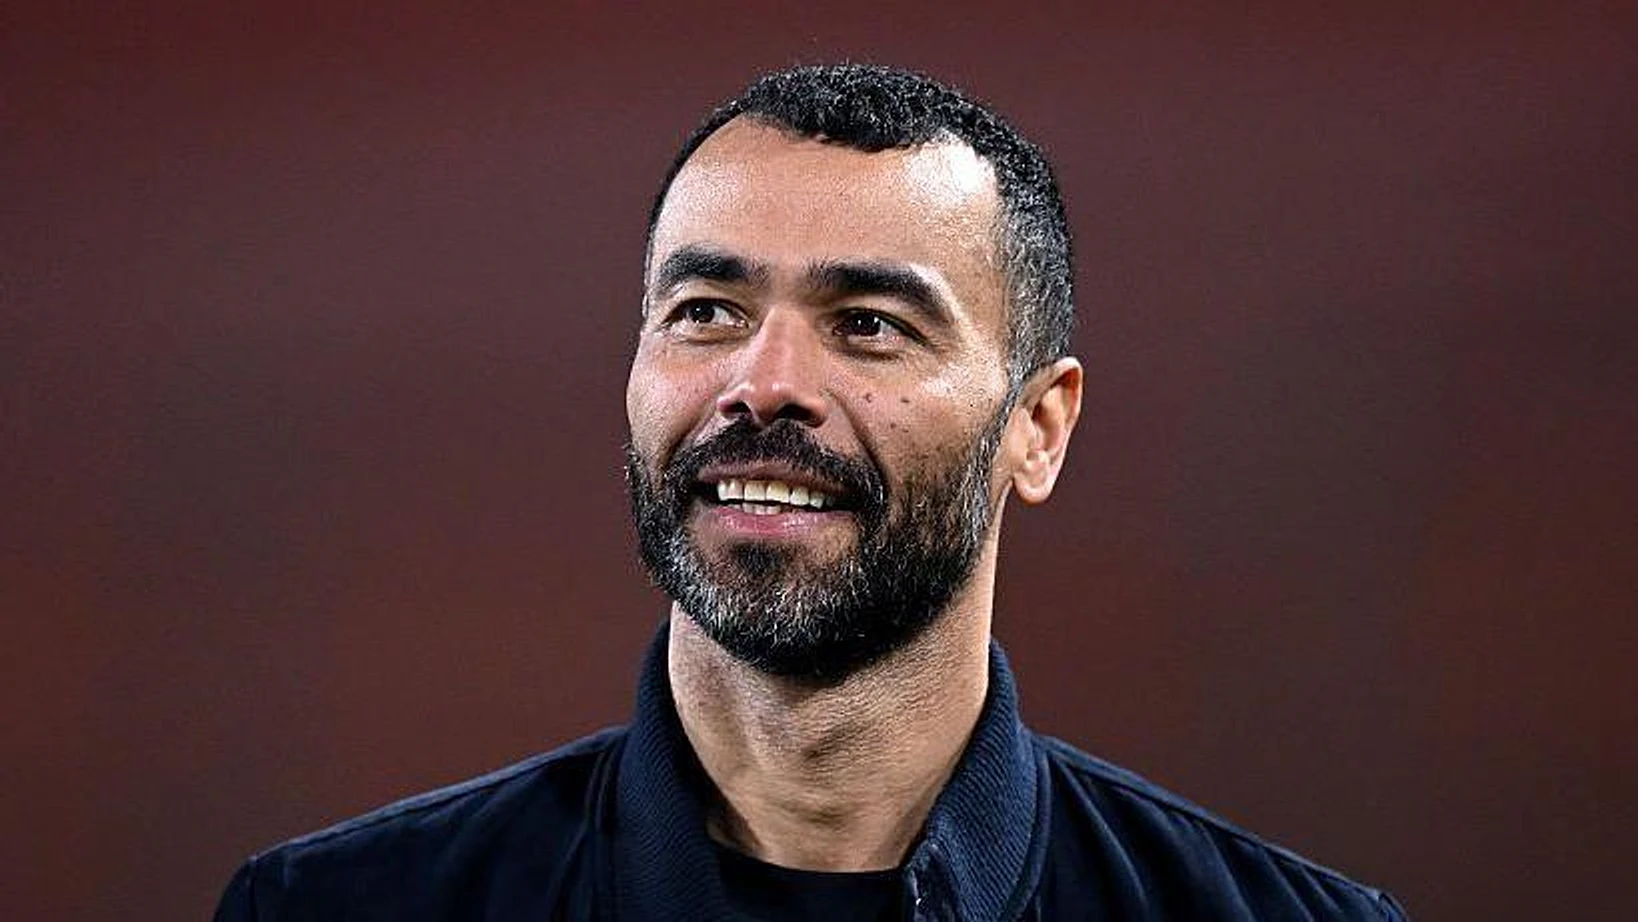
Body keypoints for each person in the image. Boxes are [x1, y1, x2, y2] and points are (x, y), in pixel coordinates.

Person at [213, 63, 1408, 922]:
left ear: (1038, 428)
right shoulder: (332, 906)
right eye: (706, 312)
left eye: (869, 324)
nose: (764, 383)